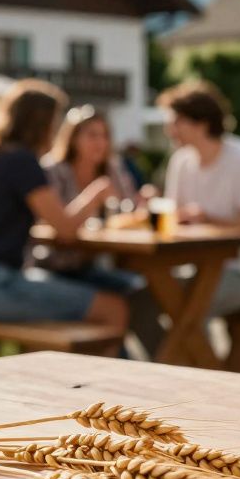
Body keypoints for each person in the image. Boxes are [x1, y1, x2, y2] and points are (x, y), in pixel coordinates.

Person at [0, 80, 126, 353]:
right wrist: (95, 194)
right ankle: (109, 390)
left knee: (74, 304)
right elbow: (66, 230)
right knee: (113, 308)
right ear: (42, 123)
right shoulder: (21, 162)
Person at [40, 104, 166, 358]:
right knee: (118, 302)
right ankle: (135, 366)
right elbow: (52, 226)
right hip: (53, 266)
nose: (100, 142)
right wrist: (94, 197)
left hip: (92, 266)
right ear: (73, 138)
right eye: (92, 135)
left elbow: (128, 213)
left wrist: (142, 204)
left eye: (105, 135)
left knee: (144, 291)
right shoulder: (52, 170)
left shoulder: (112, 169)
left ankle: (166, 360)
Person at [158, 81, 240, 317]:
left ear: (201, 124)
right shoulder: (180, 162)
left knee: (188, 305)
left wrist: (205, 219)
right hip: (192, 267)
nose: (170, 130)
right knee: (143, 296)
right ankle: (180, 354)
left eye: (176, 122)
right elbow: (173, 220)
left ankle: (178, 355)